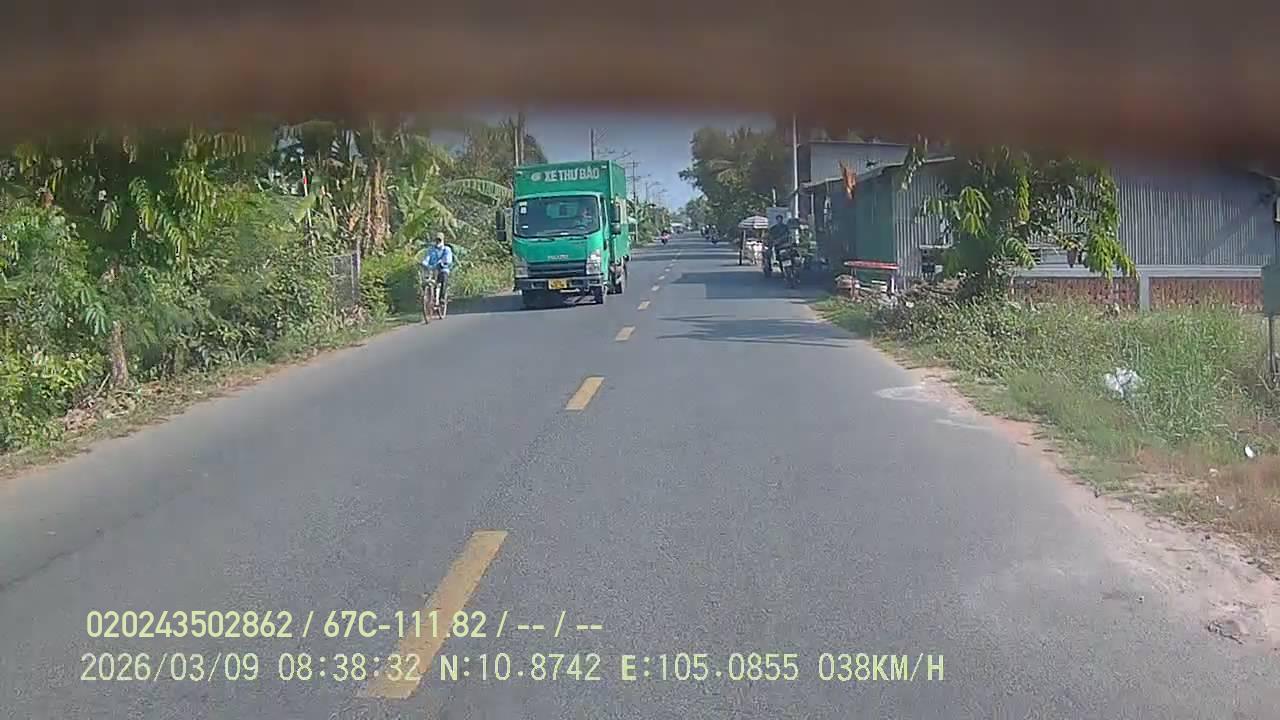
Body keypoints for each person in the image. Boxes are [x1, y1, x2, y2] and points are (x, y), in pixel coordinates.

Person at [422, 231, 454, 303]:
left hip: (442, 269)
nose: (438, 242)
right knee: (426, 281)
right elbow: (427, 258)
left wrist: (442, 263)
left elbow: (448, 260)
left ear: (443, 240)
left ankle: (442, 298)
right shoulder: (431, 250)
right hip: (432, 270)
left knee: (444, 278)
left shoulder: (447, 249)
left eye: (439, 240)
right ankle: (427, 298)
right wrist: (424, 263)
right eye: (436, 240)